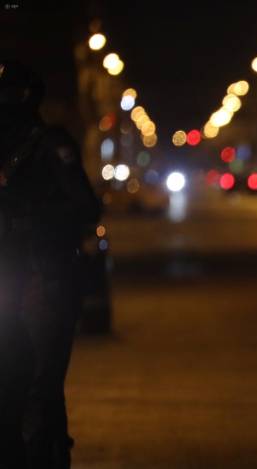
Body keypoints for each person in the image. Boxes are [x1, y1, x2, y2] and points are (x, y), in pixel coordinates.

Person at [0, 59, 101, 469]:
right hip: (9, 277)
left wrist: (30, 220)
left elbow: (85, 207)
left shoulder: (49, 146)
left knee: (39, 391)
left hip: (44, 280)